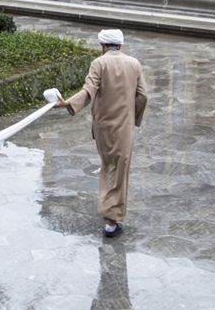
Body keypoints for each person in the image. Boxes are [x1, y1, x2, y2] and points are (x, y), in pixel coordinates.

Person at [54, 29, 148, 238]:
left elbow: (89, 91)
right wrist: (134, 119)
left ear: (102, 45)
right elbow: (142, 96)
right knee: (119, 169)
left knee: (109, 166)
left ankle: (109, 212)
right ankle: (110, 221)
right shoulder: (134, 64)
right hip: (124, 127)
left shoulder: (99, 63)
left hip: (103, 126)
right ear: (121, 45)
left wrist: (67, 103)